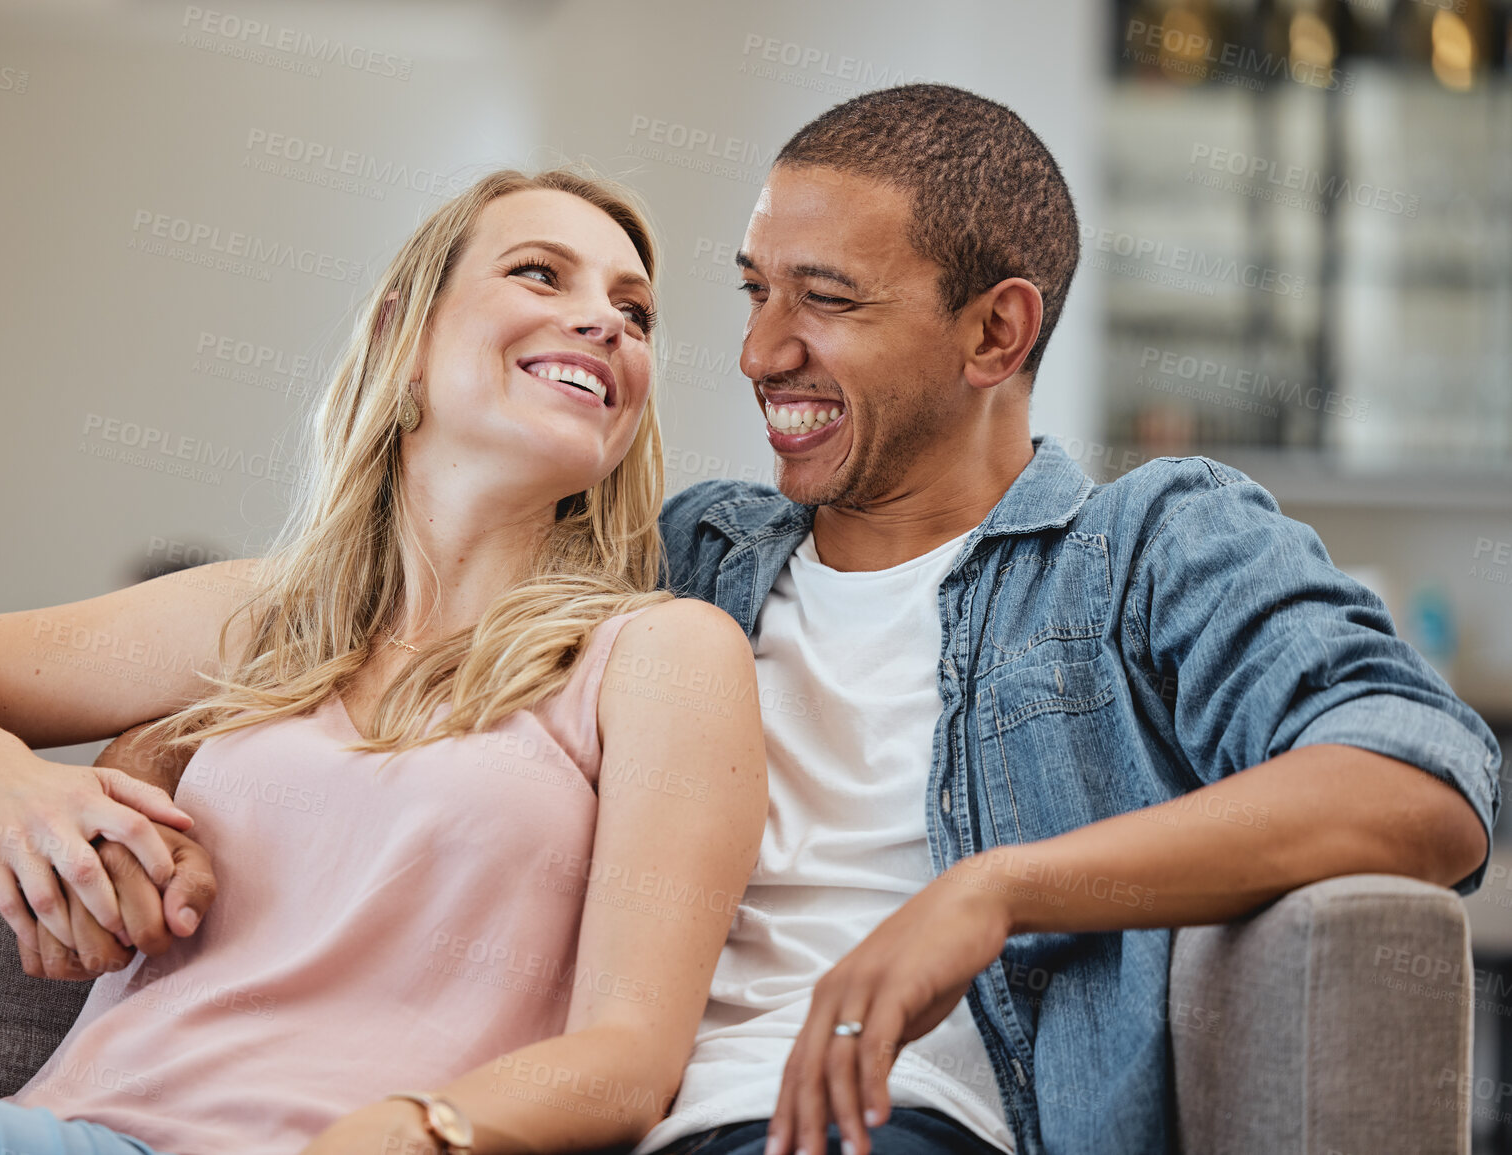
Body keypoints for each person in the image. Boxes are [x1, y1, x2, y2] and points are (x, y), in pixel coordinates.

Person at [0, 167, 768, 1155]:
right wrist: (4, 784)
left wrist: (420, 1129)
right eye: (541, 274)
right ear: (403, 336)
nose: (605, 322)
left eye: (634, 311)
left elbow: (628, 1058)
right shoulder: (262, 614)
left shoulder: (660, 653)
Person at [628, 84, 1499, 1155]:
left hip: (904, 1128)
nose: (762, 352)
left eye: (829, 302)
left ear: (996, 331)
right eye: (757, 292)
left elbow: (1421, 779)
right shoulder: (690, 553)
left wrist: (998, 891)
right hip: (632, 1120)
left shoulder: (1144, 548)